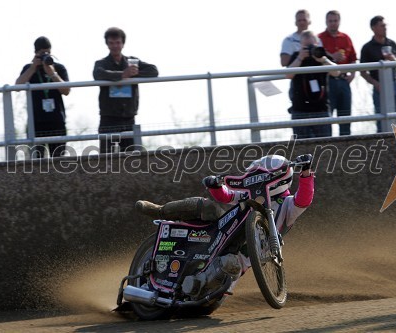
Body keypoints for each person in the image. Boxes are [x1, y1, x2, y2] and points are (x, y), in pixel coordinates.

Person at [136, 153, 315, 275]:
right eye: (254, 172)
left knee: (231, 265)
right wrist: (214, 185)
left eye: (262, 172)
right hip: (225, 234)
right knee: (206, 206)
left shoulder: (289, 205)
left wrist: (306, 173)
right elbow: (227, 196)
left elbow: (304, 199)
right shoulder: (248, 195)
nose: (256, 176)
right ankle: (160, 210)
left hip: (243, 255)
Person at [93, 27, 159, 153]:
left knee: (131, 159)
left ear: (123, 43)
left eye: (117, 42)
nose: (115, 46)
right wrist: (122, 75)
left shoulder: (132, 61)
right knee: (106, 159)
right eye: (111, 43)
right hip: (109, 118)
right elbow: (98, 74)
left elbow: (154, 71)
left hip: (128, 117)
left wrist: (133, 73)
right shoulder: (101, 63)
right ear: (107, 44)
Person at [15, 36, 70, 158]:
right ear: (35, 53)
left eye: (48, 53)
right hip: (36, 122)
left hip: (56, 121)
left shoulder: (59, 68)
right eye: (42, 53)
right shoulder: (28, 69)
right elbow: (17, 86)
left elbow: (66, 90)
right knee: (36, 162)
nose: (46, 56)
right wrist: (33, 67)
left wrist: (52, 73)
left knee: (58, 161)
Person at [286, 30, 340, 139]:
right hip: (300, 110)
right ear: (300, 46)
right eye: (306, 47)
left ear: (317, 44)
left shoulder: (321, 56)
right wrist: (300, 58)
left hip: (321, 109)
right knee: (302, 147)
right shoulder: (297, 56)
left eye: (312, 46)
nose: (310, 50)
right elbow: (288, 74)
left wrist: (323, 59)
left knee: (324, 146)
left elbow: (336, 72)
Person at [360, 15, 396, 132]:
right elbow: (362, 72)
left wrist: (393, 59)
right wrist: (376, 84)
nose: (385, 28)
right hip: (379, 87)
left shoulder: (391, 43)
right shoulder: (367, 48)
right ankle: (384, 145)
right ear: (373, 28)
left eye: (385, 25)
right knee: (381, 120)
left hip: (394, 84)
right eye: (382, 26)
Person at [318, 10, 357, 136]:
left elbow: (353, 59)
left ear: (339, 21)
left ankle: (345, 147)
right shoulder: (319, 38)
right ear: (326, 22)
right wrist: (332, 57)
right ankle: (327, 147)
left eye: (335, 21)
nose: (333, 23)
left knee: (345, 118)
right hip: (327, 82)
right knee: (326, 118)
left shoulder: (346, 38)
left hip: (344, 81)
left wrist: (352, 74)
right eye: (330, 21)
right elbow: (317, 59)